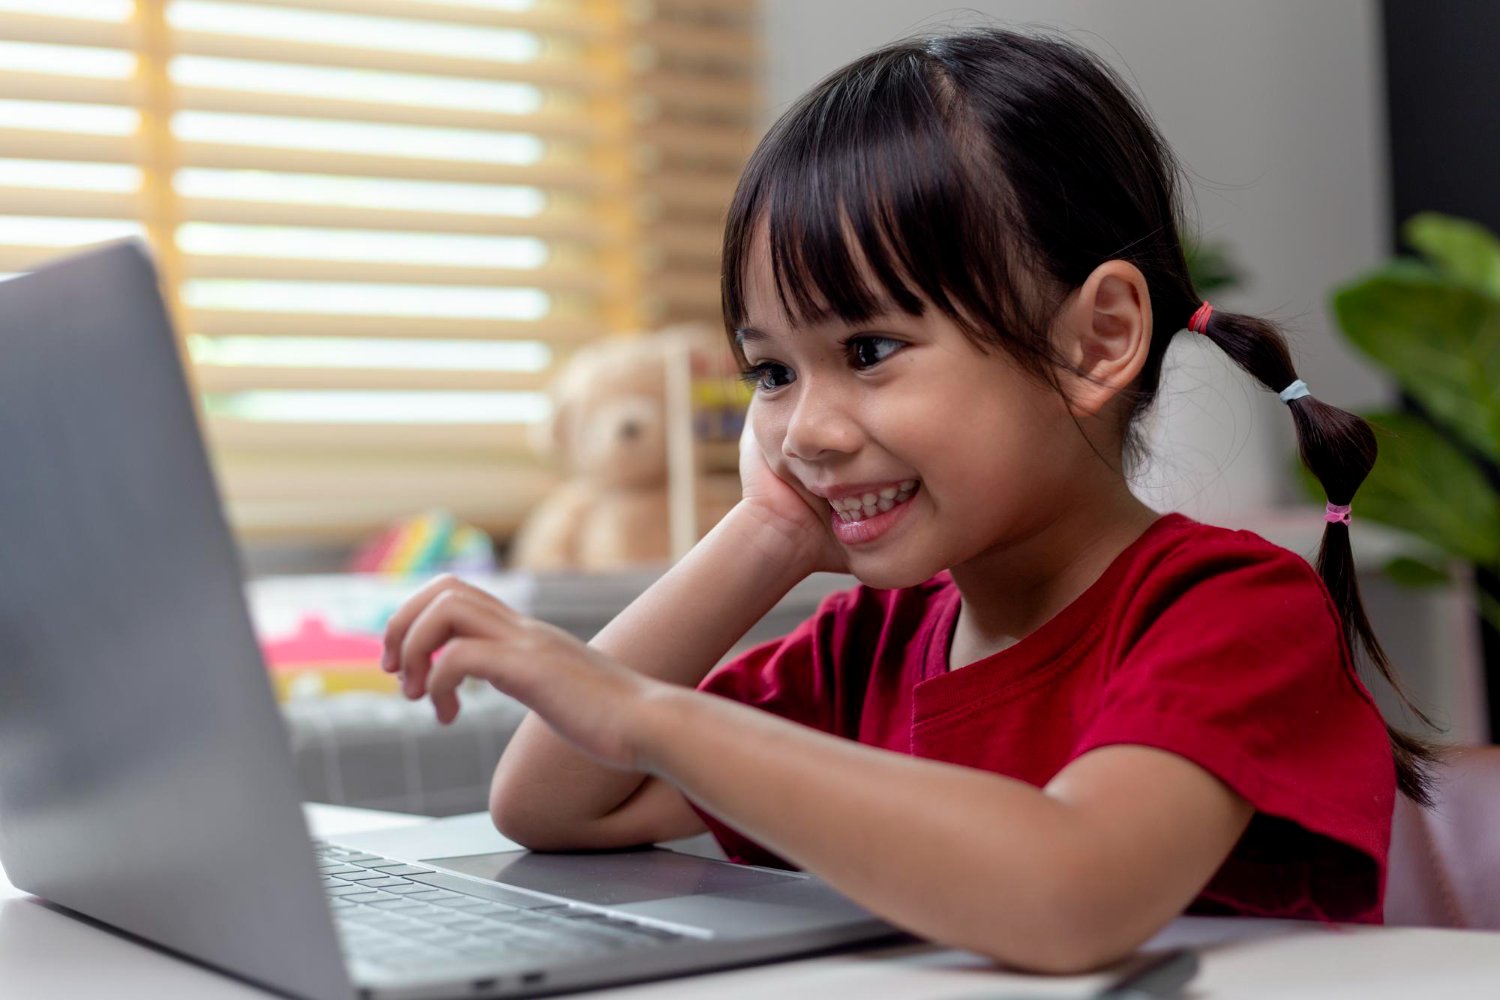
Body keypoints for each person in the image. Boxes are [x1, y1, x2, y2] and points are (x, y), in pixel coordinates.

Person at [381, 27, 1439, 973]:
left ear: (1097, 341)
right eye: (772, 372)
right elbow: (552, 803)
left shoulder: (1228, 610)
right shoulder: (871, 645)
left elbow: (1070, 897)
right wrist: (761, 533)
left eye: (869, 349)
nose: (807, 430)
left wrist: (645, 712)